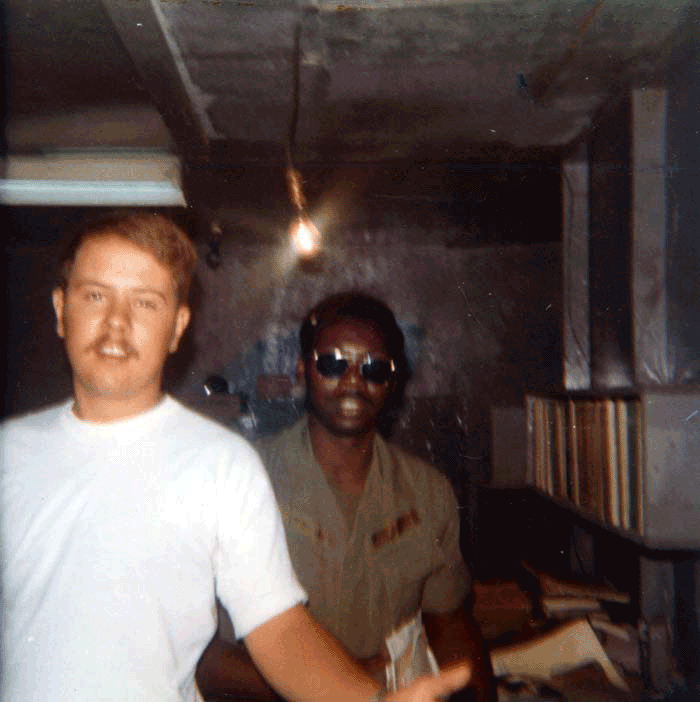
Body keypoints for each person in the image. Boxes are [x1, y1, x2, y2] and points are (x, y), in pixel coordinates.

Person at [0, 213, 470, 702]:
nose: (117, 323)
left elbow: (279, 629)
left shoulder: (222, 465)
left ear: (178, 327)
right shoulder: (9, 453)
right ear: (61, 309)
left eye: (145, 302)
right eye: (96, 296)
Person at [197, 292, 494, 702]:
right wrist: (340, 687)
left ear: (392, 382)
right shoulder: (244, 481)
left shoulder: (428, 493)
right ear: (303, 369)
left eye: (374, 368)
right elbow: (204, 659)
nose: (353, 381)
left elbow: (451, 624)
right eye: (333, 364)